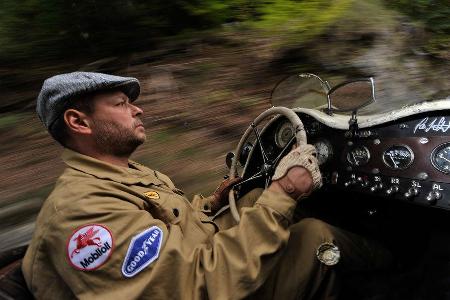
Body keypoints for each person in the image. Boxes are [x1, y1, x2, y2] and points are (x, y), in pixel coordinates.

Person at [22, 72, 391, 300]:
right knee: (313, 234)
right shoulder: (82, 212)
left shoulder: (119, 171)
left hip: (198, 266)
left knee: (253, 196)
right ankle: (405, 273)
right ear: (78, 122)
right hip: (205, 286)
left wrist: (210, 203)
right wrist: (285, 193)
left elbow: (167, 222)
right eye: (120, 104)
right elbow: (194, 288)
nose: (138, 110)